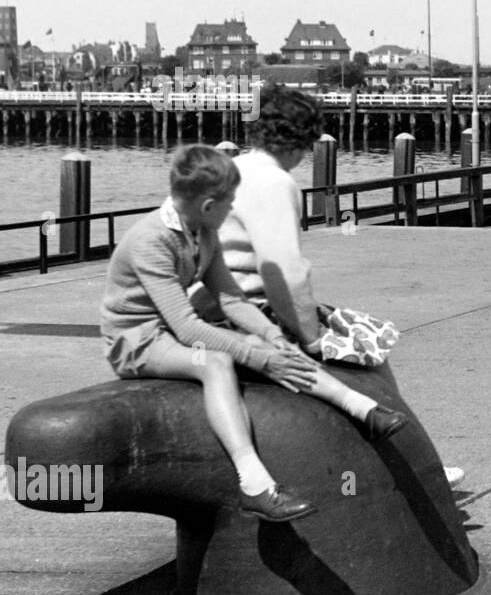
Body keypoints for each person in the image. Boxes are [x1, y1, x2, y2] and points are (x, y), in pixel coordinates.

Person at [101, 145, 409, 523]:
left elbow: (231, 299)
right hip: (137, 340)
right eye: (230, 201)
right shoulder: (152, 241)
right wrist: (258, 357)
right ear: (208, 205)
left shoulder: (203, 231)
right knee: (215, 363)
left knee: (263, 342)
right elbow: (186, 326)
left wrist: (271, 336)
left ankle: (362, 408)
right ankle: (255, 484)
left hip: (168, 330)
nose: (234, 209)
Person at [219, 86, 465, 487]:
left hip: (208, 308)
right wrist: (311, 337)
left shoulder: (229, 168)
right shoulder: (275, 182)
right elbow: (282, 270)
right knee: (370, 350)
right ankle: (413, 469)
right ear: (303, 142)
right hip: (252, 310)